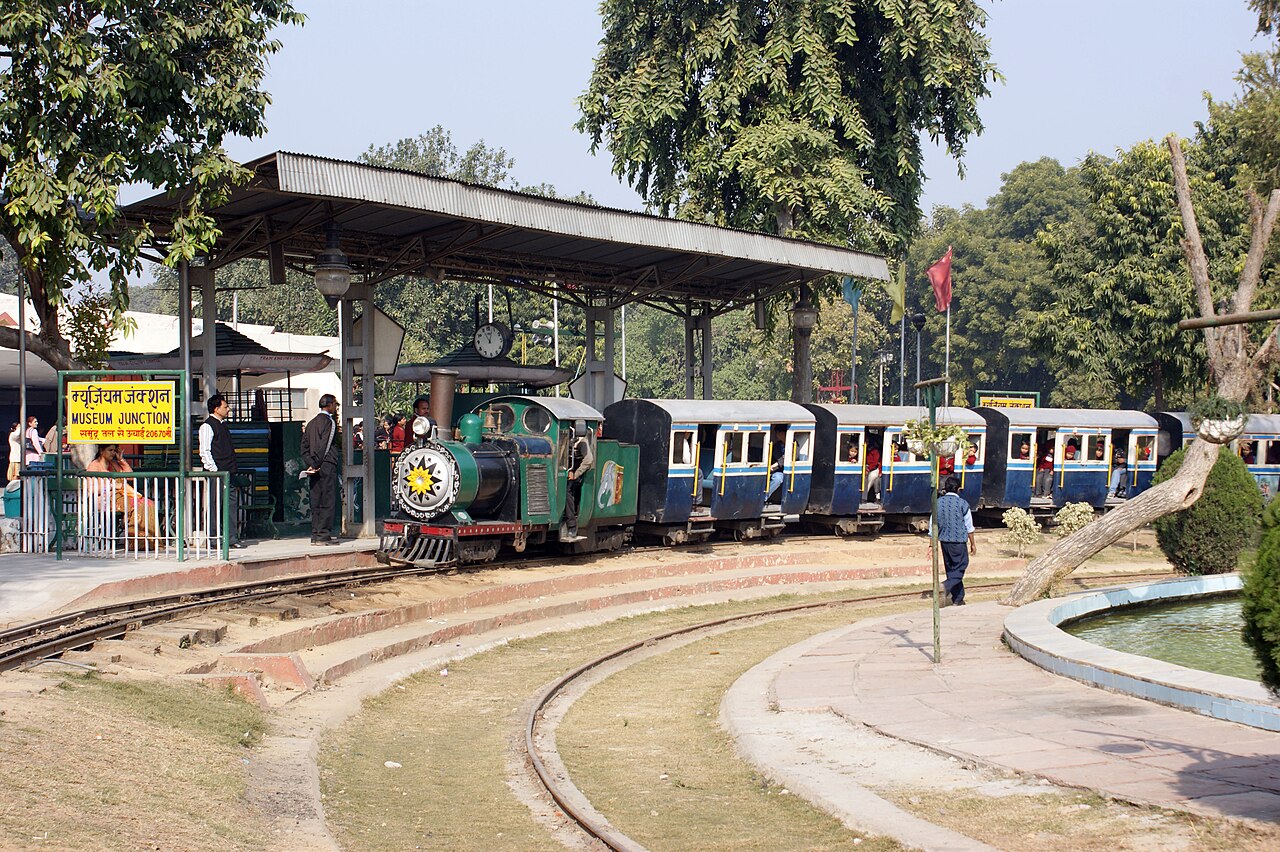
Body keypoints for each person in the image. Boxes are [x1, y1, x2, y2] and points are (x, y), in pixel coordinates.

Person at [199, 393, 245, 548]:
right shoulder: (207, 426)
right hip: (216, 474)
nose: (228, 409)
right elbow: (205, 451)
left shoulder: (223, 425)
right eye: (225, 407)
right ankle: (213, 539)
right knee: (214, 505)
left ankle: (231, 538)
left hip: (229, 472)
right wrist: (214, 470)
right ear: (216, 408)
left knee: (231, 505)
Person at [86, 444, 157, 539]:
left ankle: (148, 540)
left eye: (114, 450)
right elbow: (92, 489)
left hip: (121, 496)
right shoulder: (94, 466)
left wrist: (121, 460)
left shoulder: (114, 464)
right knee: (137, 504)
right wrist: (113, 486)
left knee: (148, 503)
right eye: (110, 450)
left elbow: (130, 476)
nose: (113, 453)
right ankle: (135, 540)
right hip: (106, 499)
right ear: (101, 451)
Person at [303, 394, 341, 545]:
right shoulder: (329, 423)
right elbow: (325, 445)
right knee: (327, 499)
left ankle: (315, 533)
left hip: (313, 466)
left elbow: (304, 447)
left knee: (315, 500)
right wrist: (318, 463)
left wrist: (310, 463)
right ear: (330, 405)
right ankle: (323, 534)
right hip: (326, 465)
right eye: (335, 405)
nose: (335, 408)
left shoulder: (311, 423)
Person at [934, 475, 977, 606]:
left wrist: (931, 544)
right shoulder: (963, 504)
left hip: (944, 541)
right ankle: (945, 586)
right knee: (961, 565)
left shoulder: (937, 503)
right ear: (958, 489)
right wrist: (973, 543)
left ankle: (958, 599)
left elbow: (932, 525)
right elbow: (969, 526)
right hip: (958, 541)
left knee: (951, 569)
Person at [563, 420, 594, 541]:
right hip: (564, 470)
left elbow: (588, 460)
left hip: (576, 472)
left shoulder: (582, 442)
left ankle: (572, 525)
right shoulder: (563, 438)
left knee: (566, 491)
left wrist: (576, 474)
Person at [766, 427, 786, 501]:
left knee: (778, 478)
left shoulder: (794, 445)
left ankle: (764, 497)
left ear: (782, 433)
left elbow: (789, 458)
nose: (777, 435)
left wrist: (776, 465)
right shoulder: (777, 446)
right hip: (775, 470)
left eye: (778, 433)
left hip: (785, 471)